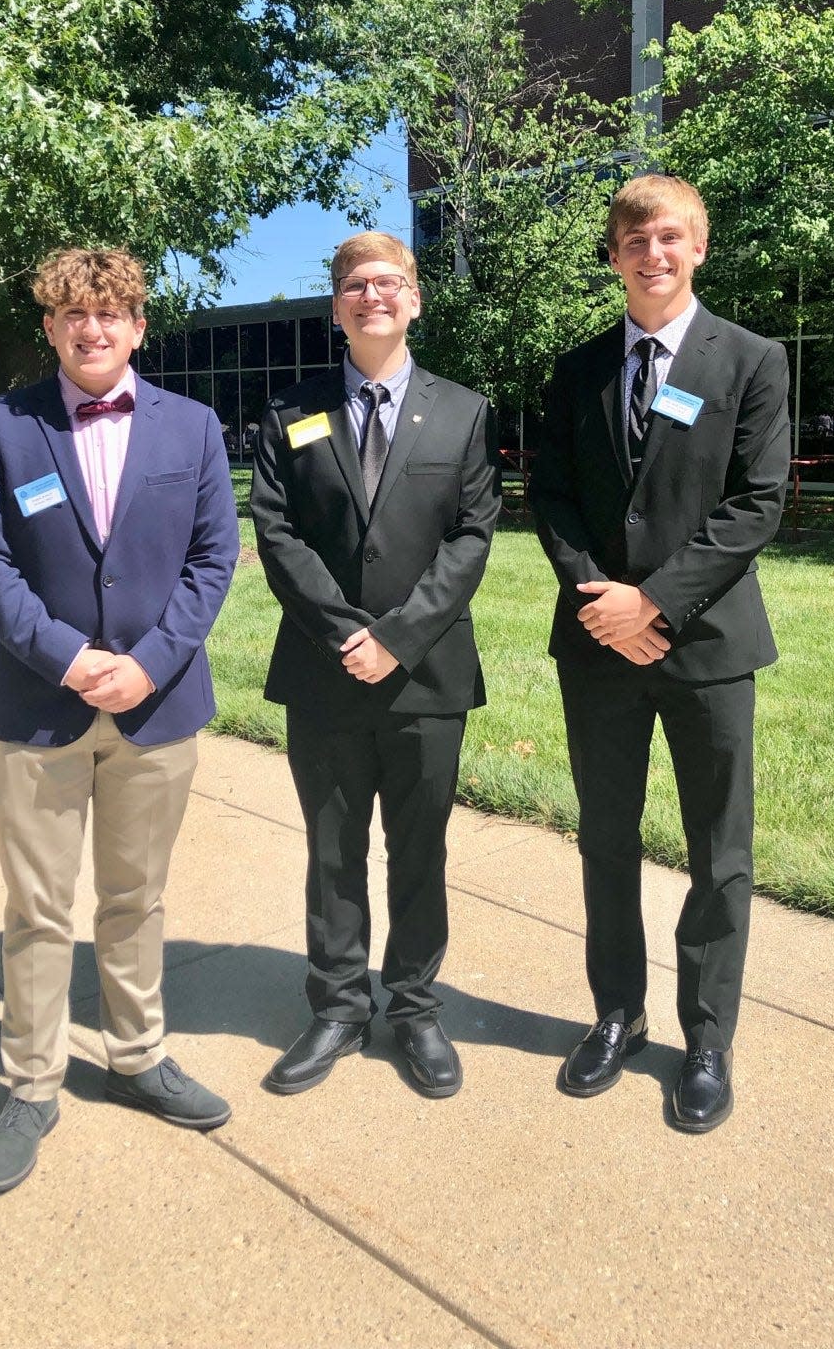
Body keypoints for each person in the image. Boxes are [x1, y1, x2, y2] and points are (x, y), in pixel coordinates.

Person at [0, 247, 239, 1195]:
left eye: (111, 313)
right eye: (75, 315)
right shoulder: (4, 427)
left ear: (138, 326)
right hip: (39, 706)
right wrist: (70, 659)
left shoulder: (193, 429)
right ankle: (32, 1085)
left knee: (135, 899)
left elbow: (213, 561)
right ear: (51, 327)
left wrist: (149, 662)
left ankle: (137, 1057)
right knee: (37, 909)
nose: (93, 329)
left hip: (157, 711)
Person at [530, 174, 790, 1134]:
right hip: (599, 646)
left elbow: (756, 501)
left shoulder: (753, 361)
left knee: (719, 851)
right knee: (606, 836)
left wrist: (659, 603)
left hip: (709, 646)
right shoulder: (577, 368)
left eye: (670, 237)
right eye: (635, 239)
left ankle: (708, 1034)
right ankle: (616, 1013)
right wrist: (604, 599)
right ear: (614, 256)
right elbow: (549, 496)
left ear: (699, 248)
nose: (653, 253)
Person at [250, 232, 500, 1099]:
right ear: (336, 308)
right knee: (331, 849)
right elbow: (275, 533)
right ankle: (338, 1007)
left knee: (419, 849)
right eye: (356, 285)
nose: (373, 296)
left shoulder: (464, 412)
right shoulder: (293, 411)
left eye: (389, 282)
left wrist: (398, 635)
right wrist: (343, 633)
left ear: (416, 299)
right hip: (323, 673)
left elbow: (471, 537)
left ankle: (414, 1007)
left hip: (427, 675)